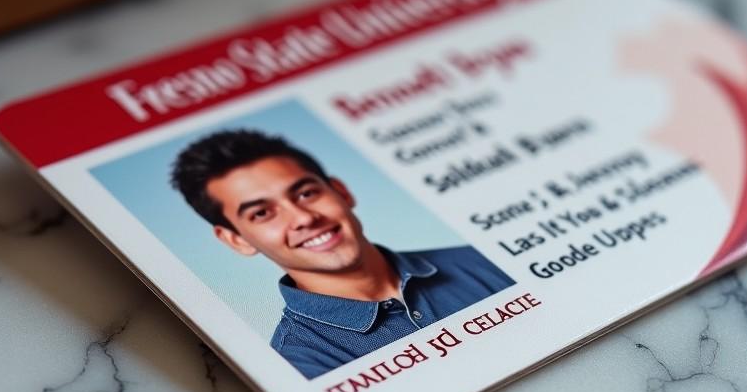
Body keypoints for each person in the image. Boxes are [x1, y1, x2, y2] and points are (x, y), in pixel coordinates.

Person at [171, 129, 514, 379]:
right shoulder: (302, 365)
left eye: (305, 193)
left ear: (341, 191)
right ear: (236, 240)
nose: (304, 218)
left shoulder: (487, 258)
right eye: (262, 213)